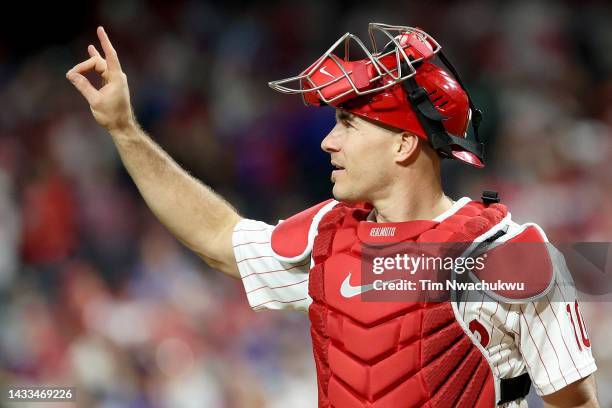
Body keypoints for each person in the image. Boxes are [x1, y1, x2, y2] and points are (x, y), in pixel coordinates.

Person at [67, 24, 599, 408]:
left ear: (404, 146)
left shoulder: (507, 256)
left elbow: (574, 401)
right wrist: (124, 129)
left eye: (348, 123)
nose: (327, 141)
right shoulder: (329, 234)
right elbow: (217, 236)